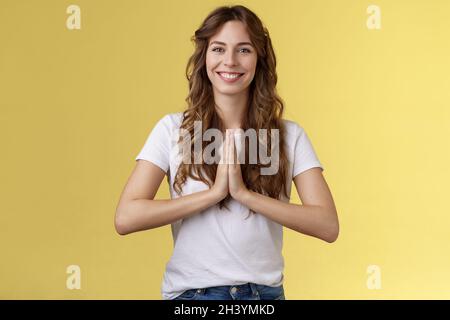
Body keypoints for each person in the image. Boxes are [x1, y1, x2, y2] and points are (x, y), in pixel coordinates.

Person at [114, 5, 339, 300]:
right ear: (204, 57)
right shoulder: (172, 129)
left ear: (259, 59)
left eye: (243, 50)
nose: (230, 61)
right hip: (193, 297)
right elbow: (126, 217)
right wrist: (213, 194)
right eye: (218, 49)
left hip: (264, 297)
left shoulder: (288, 136)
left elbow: (327, 225)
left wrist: (245, 195)